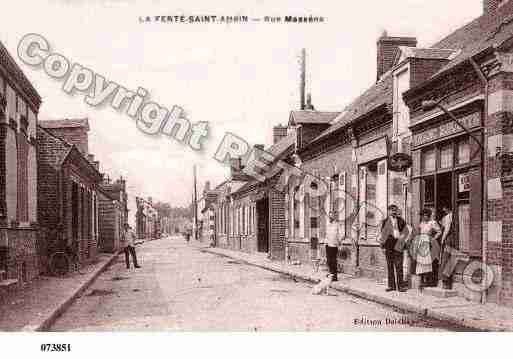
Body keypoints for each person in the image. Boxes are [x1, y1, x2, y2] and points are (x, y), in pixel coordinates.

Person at [379, 204, 408, 292]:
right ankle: (391, 286)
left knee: (399, 266)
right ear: (388, 211)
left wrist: (402, 239)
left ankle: (401, 286)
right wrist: (383, 247)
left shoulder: (401, 220)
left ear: (397, 211)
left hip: (398, 245)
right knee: (390, 266)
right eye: (392, 210)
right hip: (389, 246)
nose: (394, 212)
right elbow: (383, 235)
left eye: (395, 210)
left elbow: (406, 231)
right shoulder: (385, 221)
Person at [412, 208, 441, 288]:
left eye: (426, 216)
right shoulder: (421, 224)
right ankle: (423, 280)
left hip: (429, 243)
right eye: (423, 216)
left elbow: (439, 231)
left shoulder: (432, 223)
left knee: (429, 262)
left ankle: (430, 281)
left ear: (429, 216)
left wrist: (433, 238)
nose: (425, 217)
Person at [440, 205, 455, 289]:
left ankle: (445, 282)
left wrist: (443, 239)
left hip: (449, 239)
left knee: (445, 260)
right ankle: (447, 282)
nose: (443, 210)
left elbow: (447, 229)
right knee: (451, 260)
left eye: (444, 208)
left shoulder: (448, 216)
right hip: (455, 239)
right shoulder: (454, 215)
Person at [325, 212, 341, 282]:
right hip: (328, 244)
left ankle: (334, 276)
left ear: (334, 217)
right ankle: (331, 274)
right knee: (329, 261)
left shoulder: (337, 225)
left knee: (333, 261)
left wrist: (339, 243)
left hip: (334, 245)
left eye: (331, 217)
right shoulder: (328, 225)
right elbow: (327, 235)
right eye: (329, 217)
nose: (330, 218)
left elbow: (340, 235)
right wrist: (325, 243)